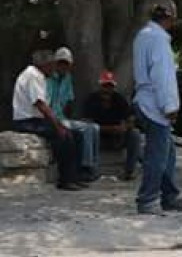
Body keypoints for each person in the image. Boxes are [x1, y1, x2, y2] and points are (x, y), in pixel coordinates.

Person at [133, 0, 182, 215]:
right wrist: (170, 106)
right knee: (157, 155)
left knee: (168, 153)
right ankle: (147, 199)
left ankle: (170, 196)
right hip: (155, 104)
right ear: (170, 18)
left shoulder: (143, 35)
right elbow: (162, 76)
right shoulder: (158, 40)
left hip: (144, 100)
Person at [11, 50, 83, 190]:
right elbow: (40, 104)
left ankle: (75, 176)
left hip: (35, 119)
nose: (54, 69)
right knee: (63, 136)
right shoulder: (33, 76)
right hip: (27, 121)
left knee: (76, 135)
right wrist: (57, 125)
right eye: (52, 66)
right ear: (46, 65)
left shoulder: (38, 75)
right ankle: (65, 179)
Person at [47, 47, 101, 182]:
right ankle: (85, 167)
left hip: (63, 117)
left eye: (66, 64)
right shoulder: (47, 78)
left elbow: (68, 102)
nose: (63, 66)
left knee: (94, 127)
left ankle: (93, 165)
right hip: (52, 118)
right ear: (55, 63)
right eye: (60, 63)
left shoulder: (67, 78)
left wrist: (73, 120)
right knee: (86, 129)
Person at [82, 70, 142, 181]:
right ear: (100, 86)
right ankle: (90, 171)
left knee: (135, 134)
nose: (107, 90)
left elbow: (130, 118)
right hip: (98, 139)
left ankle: (129, 171)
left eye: (110, 86)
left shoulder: (119, 99)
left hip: (117, 138)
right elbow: (87, 124)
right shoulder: (92, 100)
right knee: (89, 132)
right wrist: (110, 129)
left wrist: (126, 127)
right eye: (105, 86)